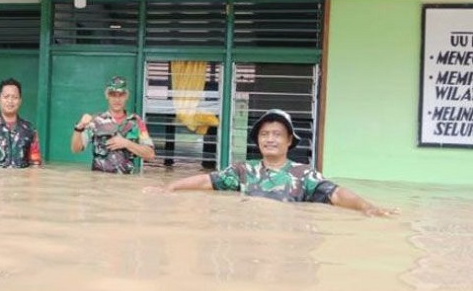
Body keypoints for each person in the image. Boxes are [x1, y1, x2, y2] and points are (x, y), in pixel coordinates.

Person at [148, 109, 397, 216]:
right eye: (264, 134)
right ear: (257, 140)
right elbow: (207, 181)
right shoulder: (243, 171)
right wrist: (170, 188)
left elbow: (338, 194)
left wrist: (366, 206)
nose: (270, 139)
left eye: (277, 134)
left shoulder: (303, 175)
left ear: (289, 140)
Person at [71, 76, 155, 174]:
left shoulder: (136, 122)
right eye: (113, 95)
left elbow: (150, 154)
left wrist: (126, 143)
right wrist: (79, 128)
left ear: (126, 96)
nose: (117, 99)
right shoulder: (96, 121)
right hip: (98, 183)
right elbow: (76, 149)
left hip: (125, 184)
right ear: (107, 96)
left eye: (121, 95)